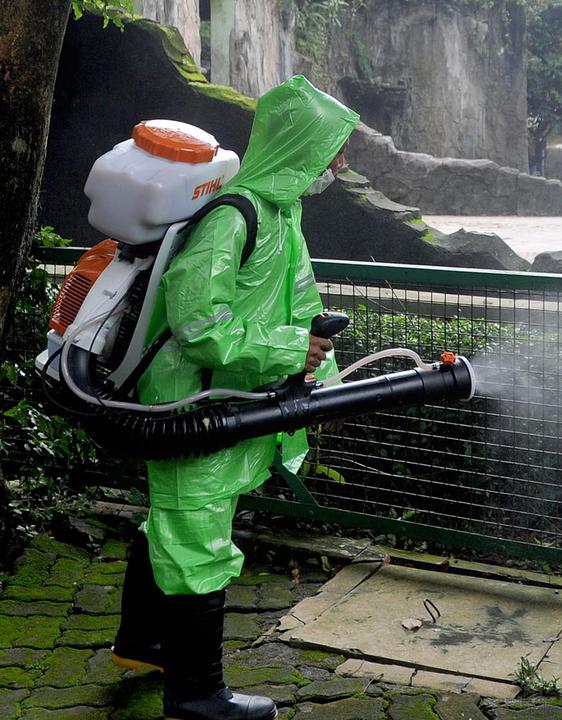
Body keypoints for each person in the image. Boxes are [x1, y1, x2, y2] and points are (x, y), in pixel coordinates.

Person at [109, 76, 359, 720]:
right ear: (301, 146)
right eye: (333, 148)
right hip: (192, 406)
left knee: (175, 520)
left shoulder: (281, 214)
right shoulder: (233, 216)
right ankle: (195, 697)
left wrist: (317, 375)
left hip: (224, 402)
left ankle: (143, 641)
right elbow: (198, 325)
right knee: (197, 538)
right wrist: (285, 352)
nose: (339, 164)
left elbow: (295, 304)